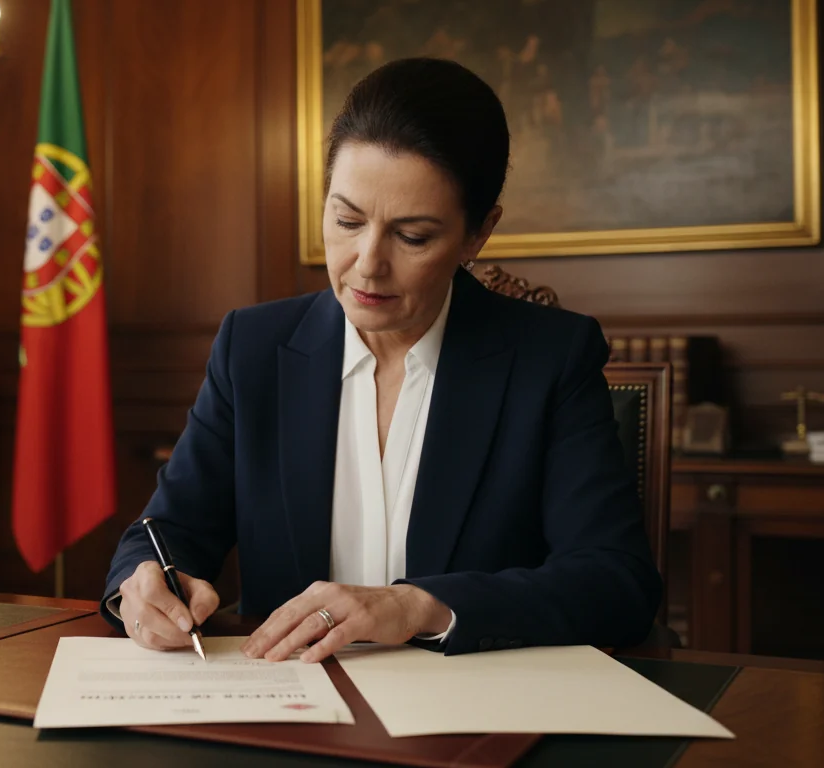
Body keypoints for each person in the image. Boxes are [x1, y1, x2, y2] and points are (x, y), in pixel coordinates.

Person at [101, 57, 661, 662]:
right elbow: (165, 534)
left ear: (479, 234)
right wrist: (142, 586)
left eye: (412, 236)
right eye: (346, 220)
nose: (367, 263)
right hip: (289, 716)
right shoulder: (254, 348)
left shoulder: (549, 359)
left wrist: (420, 605)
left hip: (469, 726)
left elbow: (616, 583)